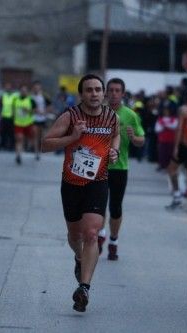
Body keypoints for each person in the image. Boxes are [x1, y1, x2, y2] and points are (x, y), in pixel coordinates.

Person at [41, 74, 120, 312]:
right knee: (75, 236)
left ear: (103, 93)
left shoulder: (111, 117)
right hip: (72, 184)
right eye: (89, 90)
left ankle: (84, 287)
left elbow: (115, 135)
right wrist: (72, 137)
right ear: (82, 94)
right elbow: (45, 144)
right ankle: (78, 257)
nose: (94, 94)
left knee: (92, 233)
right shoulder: (71, 116)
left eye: (98, 89)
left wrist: (114, 151)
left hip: (98, 181)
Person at [97, 78, 144, 260]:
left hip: (120, 167)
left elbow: (142, 140)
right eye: (111, 90)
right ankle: (100, 234)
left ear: (123, 94)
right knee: (98, 205)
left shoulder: (130, 115)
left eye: (118, 90)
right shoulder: (99, 113)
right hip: (98, 167)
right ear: (106, 93)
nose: (114, 93)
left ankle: (113, 241)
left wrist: (134, 138)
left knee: (115, 207)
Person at [13, 84, 36, 165]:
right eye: (22, 91)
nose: (23, 92)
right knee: (19, 139)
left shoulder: (31, 100)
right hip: (18, 123)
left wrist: (28, 111)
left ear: (27, 92)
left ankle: (32, 148)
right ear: (20, 91)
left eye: (25, 91)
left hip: (28, 123)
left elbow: (34, 112)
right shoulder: (15, 100)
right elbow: (13, 110)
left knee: (31, 138)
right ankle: (18, 155)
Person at [31, 81, 52, 160]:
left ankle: (41, 150)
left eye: (38, 87)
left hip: (43, 119)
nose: (36, 89)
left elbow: (50, 106)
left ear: (40, 88)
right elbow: (30, 107)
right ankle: (36, 152)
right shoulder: (31, 97)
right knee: (35, 135)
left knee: (42, 136)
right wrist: (35, 111)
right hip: (34, 118)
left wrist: (45, 112)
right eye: (35, 88)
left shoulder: (44, 96)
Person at [155, 104, 178, 170]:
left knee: (170, 153)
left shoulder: (174, 119)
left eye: (167, 111)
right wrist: (168, 126)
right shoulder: (160, 119)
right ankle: (161, 165)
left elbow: (174, 126)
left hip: (171, 139)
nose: (166, 112)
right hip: (162, 139)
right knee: (162, 153)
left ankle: (168, 166)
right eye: (165, 111)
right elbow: (157, 129)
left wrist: (165, 126)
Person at [0, 82, 16, 151]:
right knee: (3, 132)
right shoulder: (3, 95)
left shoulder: (14, 96)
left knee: (11, 132)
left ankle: (11, 146)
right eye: (6, 87)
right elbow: (0, 105)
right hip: (4, 116)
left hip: (11, 117)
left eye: (9, 87)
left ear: (11, 88)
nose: (7, 88)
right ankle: (3, 145)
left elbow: (15, 106)